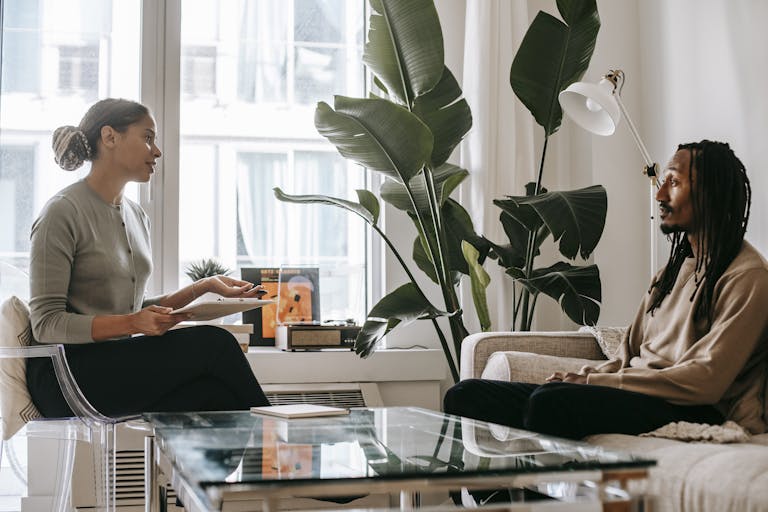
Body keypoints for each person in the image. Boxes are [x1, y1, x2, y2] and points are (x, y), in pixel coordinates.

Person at [444, 140, 768, 440]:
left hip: (695, 408)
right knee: (467, 395)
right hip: (637, 395)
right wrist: (584, 376)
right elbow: (626, 357)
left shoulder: (748, 277)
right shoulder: (669, 274)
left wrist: (594, 382)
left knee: (551, 404)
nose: (659, 195)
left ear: (710, 193)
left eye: (674, 182)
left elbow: (706, 381)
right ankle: (503, 501)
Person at [27, 98, 271, 418]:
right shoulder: (62, 212)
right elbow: (46, 324)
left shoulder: (136, 215)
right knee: (216, 345)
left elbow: (131, 310)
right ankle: (283, 448)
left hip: (112, 363)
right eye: (147, 137)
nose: (156, 151)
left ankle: (260, 464)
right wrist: (131, 323)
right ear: (110, 137)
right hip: (64, 374)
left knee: (214, 396)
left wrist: (204, 287)